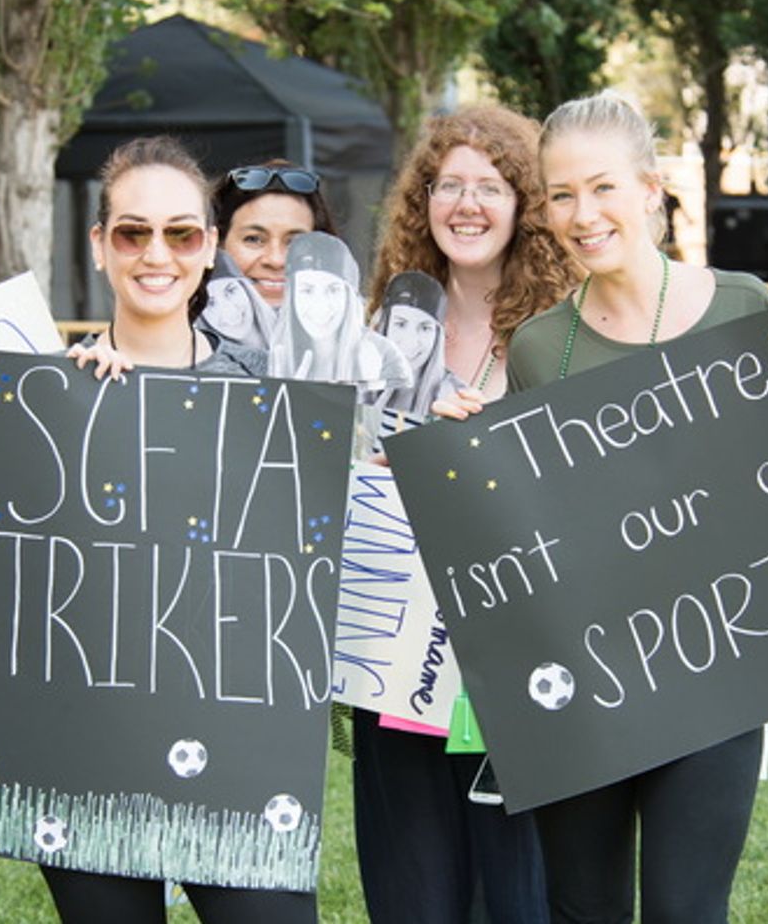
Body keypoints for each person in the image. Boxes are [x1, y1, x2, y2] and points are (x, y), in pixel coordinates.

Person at [495, 90, 768, 924]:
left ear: (649, 190)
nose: (582, 213)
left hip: (716, 665)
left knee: (687, 909)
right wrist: (470, 450)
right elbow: (531, 526)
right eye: (561, 194)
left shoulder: (742, 305)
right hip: (589, 672)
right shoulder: (539, 346)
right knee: (583, 910)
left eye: (602, 187)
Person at [57, 135, 318, 924]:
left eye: (180, 233)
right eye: (133, 232)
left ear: (208, 249)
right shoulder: (45, 395)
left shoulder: (264, 392)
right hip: (91, 749)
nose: (156, 254)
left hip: (240, 746)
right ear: (101, 246)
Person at [352, 104, 570, 924]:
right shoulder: (387, 326)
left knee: (515, 895)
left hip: (513, 656)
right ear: (424, 201)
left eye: (491, 186)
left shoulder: (559, 334)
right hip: (394, 652)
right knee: (412, 890)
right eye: (448, 186)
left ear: (525, 205)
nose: (467, 204)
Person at [268, 231, 410, 393]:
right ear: (291, 297)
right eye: (306, 290)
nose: (320, 305)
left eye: (333, 290)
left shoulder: (383, 357)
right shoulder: (274, 355)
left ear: (349, 296)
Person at [214, 160, 337, 307]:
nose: (276, 260)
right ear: (216, 244)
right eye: (254, 239)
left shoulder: (355, 327)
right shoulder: (183, 328)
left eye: (295, 242)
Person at [369, 271, 463, 418]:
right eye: (400, 324)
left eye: (425, 328)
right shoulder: (355, 380)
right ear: (384, 326)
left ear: (438, 336)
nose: (410, 341)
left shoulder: (453, 396)